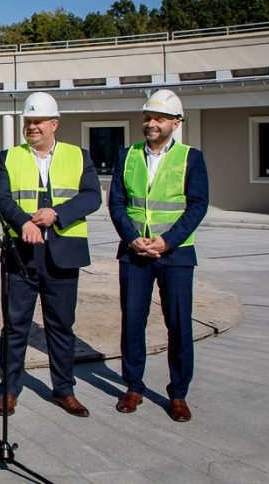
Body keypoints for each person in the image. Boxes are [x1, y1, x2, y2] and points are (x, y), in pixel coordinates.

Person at [0, 92, 101, 418]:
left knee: (62, 326)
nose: (32, 127)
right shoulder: (9, 157)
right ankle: (9, 391)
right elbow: (0, 196)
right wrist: (23, 222)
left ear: (54, 124)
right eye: (28, 121)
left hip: (63, 255)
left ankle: (64, 390)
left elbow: (92, 196)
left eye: (38, 121)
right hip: (21, 255)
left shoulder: (78, 156)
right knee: (15, 327)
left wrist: (58, 214)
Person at [108, 88, 208, 422]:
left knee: (178, 324)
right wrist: (132, 238)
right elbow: (117, 203)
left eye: (160, 119)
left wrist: (167, 242)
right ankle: (133, 386)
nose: (152, 123)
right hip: (134, 253)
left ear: (176, 123)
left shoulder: (191, 158)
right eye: (148, 117)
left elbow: (197, 206)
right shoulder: (127, 156)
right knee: (132, 322)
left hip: (175, 255)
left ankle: (178, 393)